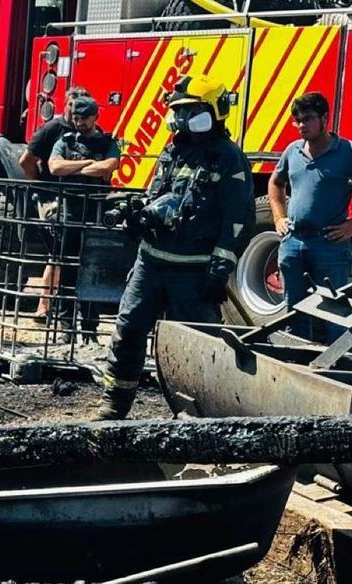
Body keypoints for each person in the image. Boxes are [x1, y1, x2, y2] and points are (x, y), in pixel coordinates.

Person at [95, 74, 253, 420]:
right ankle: (113, 406)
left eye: (192, 111)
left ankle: (196, 415)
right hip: (151, 263)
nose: (182, 119)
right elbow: (158, 195)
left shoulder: (230, 158)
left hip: (193, 272)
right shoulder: (173, 149)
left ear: (214, 110)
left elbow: (237, 220)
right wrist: (138, 217)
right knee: (127, 331)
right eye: (179, 112)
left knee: (196, 346)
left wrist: (219, 268)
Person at [269, 92, 352, 342]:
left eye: (307, 119)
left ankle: (334, 373)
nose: (301, 126)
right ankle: (296, 367)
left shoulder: (348, 152)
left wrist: (351, 226)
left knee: (335, 317)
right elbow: (276, 183)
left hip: (329, 246)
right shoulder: (292, 151)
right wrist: (278, 217)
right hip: (293, 244)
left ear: (325, 118)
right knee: (294, 314)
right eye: (297, 120)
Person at [47, 95, 121, 343]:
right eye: (76, 118)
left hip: (96, 214)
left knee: (93, 272)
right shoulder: (65, 141)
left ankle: (90, 330)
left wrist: (78, 168)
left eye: (84, 118)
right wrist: (90, 163)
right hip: (70, 214)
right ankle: (66, 331)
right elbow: (54, 168)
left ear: (94, 117)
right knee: (67, 271)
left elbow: (108, 166)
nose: (79, 122)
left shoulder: (107, 142)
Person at [21, 86, 89, 320]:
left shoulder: (91, 133)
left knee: (70, 251)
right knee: (58, 250)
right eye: (72, 104)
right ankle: (44, 305)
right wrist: (42, 185)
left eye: (80, 106)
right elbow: (26, 161)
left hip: (78, 199)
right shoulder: (53, 129)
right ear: (65, 105)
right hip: (51, 198)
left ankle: (66, 307)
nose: (75, 110)